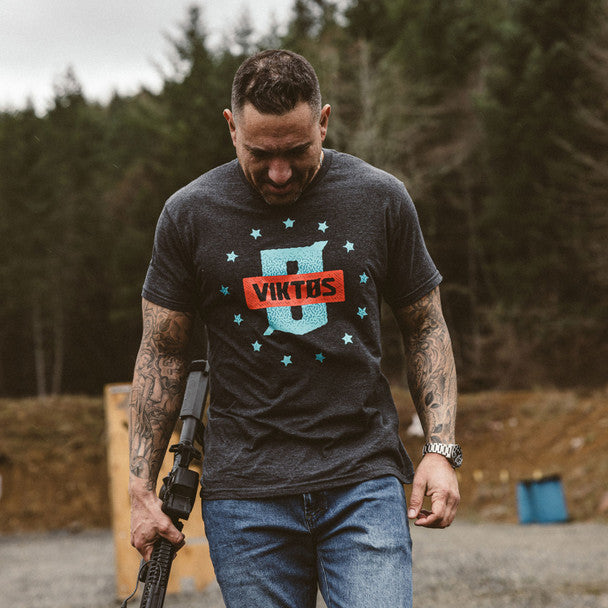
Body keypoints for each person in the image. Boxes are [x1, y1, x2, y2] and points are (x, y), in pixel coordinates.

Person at [128, 49, 461, 608]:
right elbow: (162, 353)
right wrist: (140, 486)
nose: (279, 173)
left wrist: (441, 449)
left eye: (297, 151)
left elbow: (426, 326)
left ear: (323, 122)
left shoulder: (380, 198)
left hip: (362, 479)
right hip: (246, 497)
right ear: (231, 128)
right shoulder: (189, 215)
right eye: (260, 154)